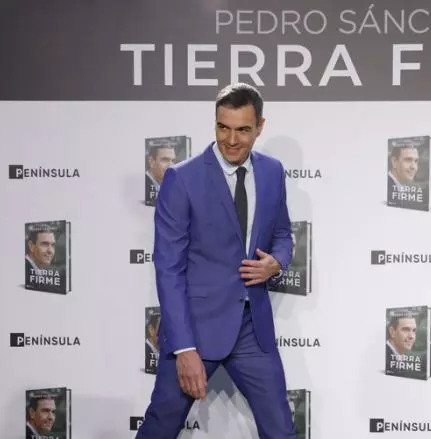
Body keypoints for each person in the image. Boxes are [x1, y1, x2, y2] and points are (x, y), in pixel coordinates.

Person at [136, 82, 296, 438]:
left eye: (242, 129)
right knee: (161, 427)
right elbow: (169, 268)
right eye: (223, 127)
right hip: (195, 328)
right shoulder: (182, 178)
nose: (232, 140)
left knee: (282, 431)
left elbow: (283, 235)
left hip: (253, 328)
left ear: (260, 127)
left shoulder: (272, 172)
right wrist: (184, 348)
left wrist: (277, 263)